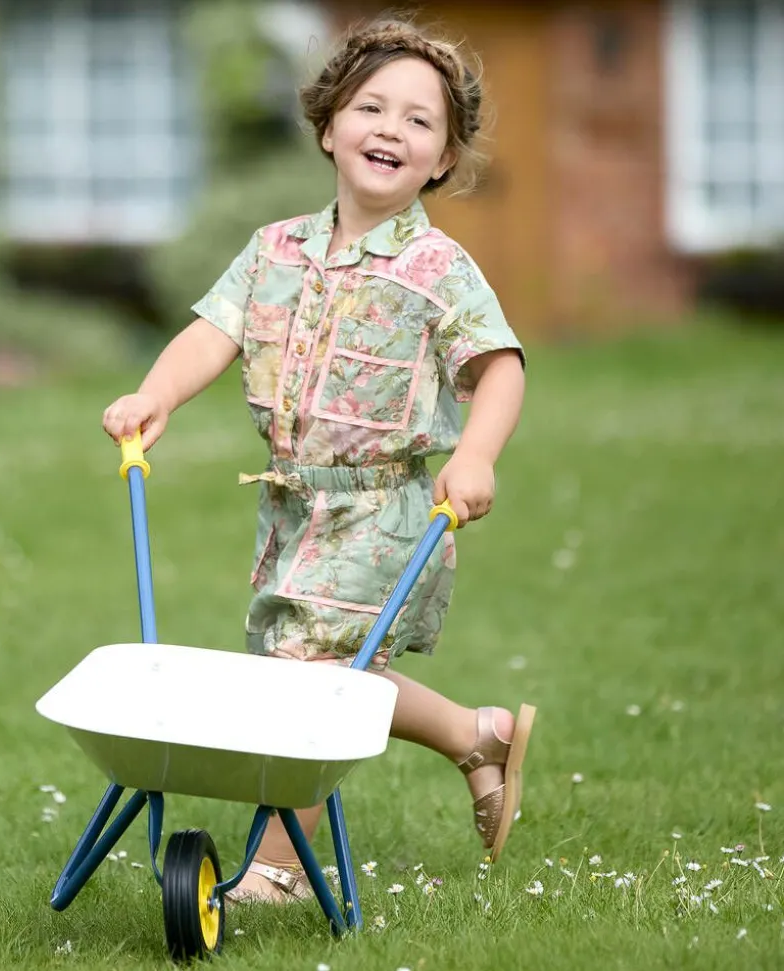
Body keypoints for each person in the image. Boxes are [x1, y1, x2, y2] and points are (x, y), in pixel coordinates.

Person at [102, 17, 535, 903]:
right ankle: (475, 734)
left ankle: (281, 866)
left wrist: (477, 456)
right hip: (295, 506)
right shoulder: (275, 249)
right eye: (371, 107)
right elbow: (212, 333)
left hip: (385, 510)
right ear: (328, 124)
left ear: (445, 158)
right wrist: (155, 395)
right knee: (318, 673)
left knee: (308, 685)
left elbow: (501, 367)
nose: (391, 129)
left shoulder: (438, 268)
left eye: (419, 120)